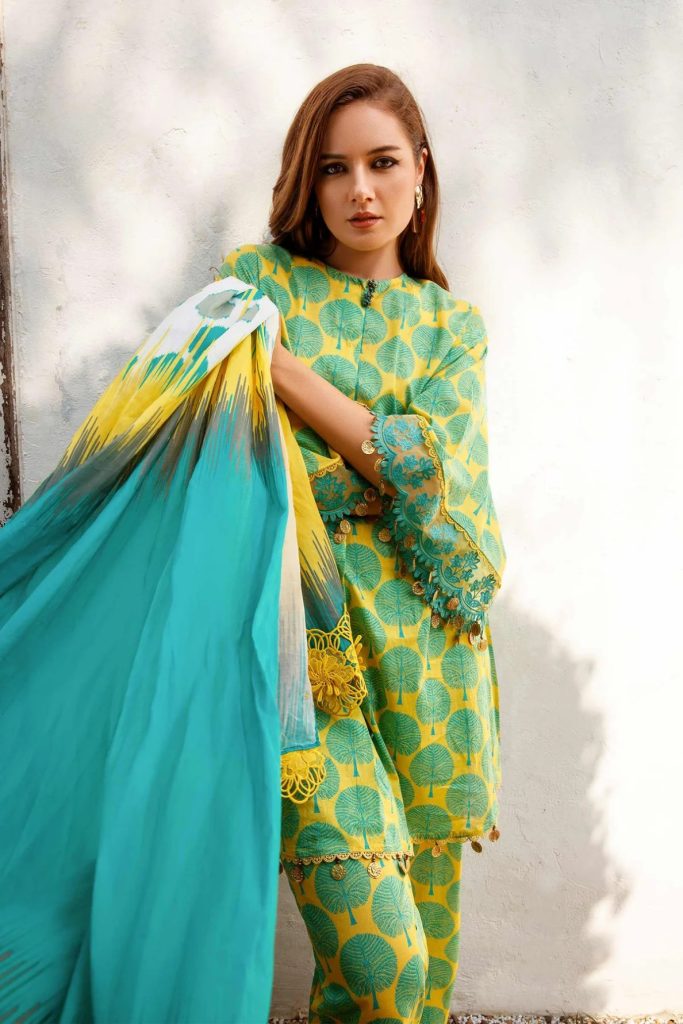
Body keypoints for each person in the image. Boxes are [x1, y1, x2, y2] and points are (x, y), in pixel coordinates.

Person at [216, 63, 507, 1024]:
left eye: (382, 163)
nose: (360, 191)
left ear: (421, 169)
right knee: (382, 968)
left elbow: (442, 489)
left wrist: (287, 378)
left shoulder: (450, 327)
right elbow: (233, 456)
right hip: (310, 664)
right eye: (333, 169)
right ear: (307, 181)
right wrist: (384, 457)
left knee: (417, 993)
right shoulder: (258, 285)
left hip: (431, 676)